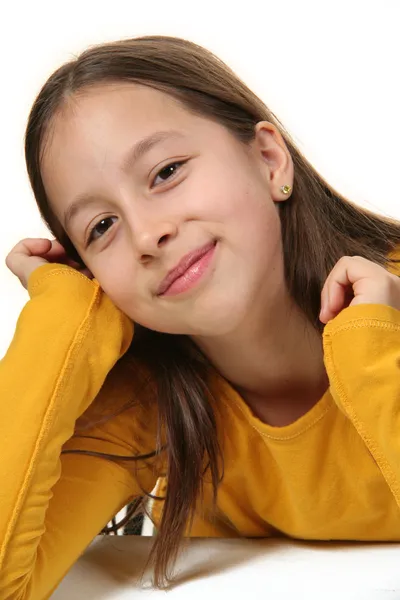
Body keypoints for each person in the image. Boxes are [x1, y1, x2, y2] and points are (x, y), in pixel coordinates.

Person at [1, 34, 400, 599]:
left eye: (165, 172)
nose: (146, 234)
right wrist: (65, 314)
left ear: (268, 159)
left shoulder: (391, 305)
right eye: (100, 227)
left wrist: (372, 353)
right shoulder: (146, 411)